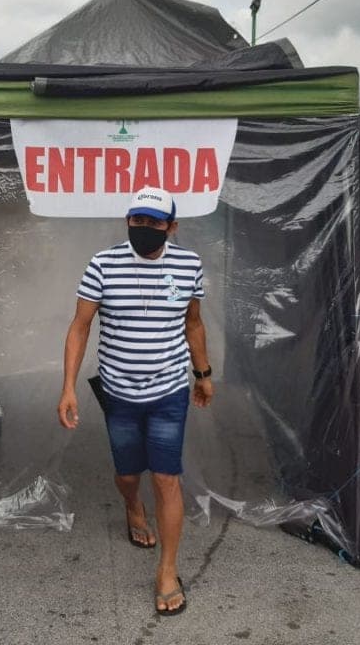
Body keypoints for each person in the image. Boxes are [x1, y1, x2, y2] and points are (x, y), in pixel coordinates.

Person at [58, 186, 214, 616]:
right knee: (128, 474)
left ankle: (167, 570)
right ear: (128, 221)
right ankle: (132, 505)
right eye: (137, 221)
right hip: (118, 392)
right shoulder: (103, 264)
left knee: (167, 477)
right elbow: (80, 326)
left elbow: (194, 323)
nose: (144, 229)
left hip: (168, 389)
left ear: (172, 226)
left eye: (154, 223)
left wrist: (203, 375)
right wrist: (68, 386)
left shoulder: (188, 264)